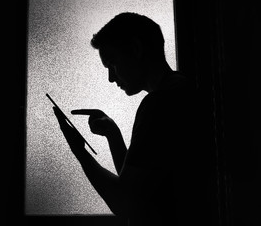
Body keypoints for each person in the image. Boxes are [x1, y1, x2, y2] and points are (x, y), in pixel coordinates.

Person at [53, 12, 209, 225]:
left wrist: (79, 151)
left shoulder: (159, 103)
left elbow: (125, 203)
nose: (110, 78)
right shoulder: (181, 88)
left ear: (136, 49)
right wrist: (113, 135)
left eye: (112, 63)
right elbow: (138, 184)